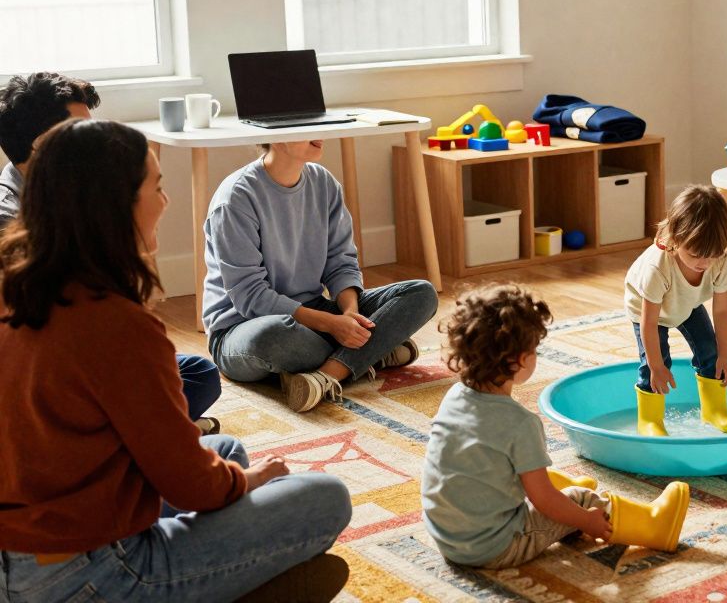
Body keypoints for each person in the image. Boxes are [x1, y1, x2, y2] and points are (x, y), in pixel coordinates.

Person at [0, 119, 353, 602]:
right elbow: (193, 488)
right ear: (113, 207)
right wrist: (251, 483)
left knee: (224, 452)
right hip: (91, 570)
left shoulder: (16, 285)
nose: (164, 203)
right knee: (323, 498)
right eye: (157, 187)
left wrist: (234, 480)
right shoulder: (115, 322)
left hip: (20, 550)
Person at [0, 72, 222, 433]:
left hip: (89, 364)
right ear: (45, 145)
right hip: (48, 381)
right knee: (223, 446)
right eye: (83, 134)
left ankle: (140, 429)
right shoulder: (11, 221)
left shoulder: (72, 196)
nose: (96, 145)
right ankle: (144, 432)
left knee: (198, 373)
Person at [420, 284, 690, 568]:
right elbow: (544, 500)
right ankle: (655, 526)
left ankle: (569, 505)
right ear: (519, 360)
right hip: (494, 546)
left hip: (448, 538)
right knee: (580, 499)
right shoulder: (520, 424)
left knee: (514, 466)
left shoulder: (454, 397)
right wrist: (585, 520)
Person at [203, 139, 437, 412]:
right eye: (306, 127)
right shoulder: (235, 198)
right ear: (276, 137)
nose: (319, 134)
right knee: (274, 335)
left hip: (316, 312)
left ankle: (326, 375)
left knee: (420, 293)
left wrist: (348, 313)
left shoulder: (323, 182)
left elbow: (341, 261)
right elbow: (251, 296)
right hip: (243, 328)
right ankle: (372, 354)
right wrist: (332, 325)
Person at [624, 184, 727, 436]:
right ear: (676, 238)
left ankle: (715, 411)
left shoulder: (719, 259)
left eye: (711, 256)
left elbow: (722, 310)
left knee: (709, 351)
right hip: (649, 312)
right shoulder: (656, 268)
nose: (704, 263)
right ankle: (649, 420)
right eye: (694, 255)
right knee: (653, 364)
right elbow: (648, 322)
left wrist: (724, 355)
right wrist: (658, 367)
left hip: (688, 303)